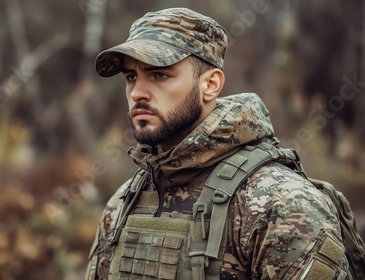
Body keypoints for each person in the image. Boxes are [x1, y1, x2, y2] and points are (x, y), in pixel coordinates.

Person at [85, 7, 350, 280]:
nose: (137, 92)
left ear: (210, 84)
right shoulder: (124, 203)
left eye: (159, 75)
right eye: (131, 77)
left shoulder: (279, 205)